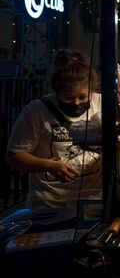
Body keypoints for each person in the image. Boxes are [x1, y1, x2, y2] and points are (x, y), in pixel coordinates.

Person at [6, 49, 102, 210]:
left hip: (93, 200)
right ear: (57, 93)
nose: (76, 103)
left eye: (83, 97)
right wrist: (49, 166)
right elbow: (14, 155)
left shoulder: (101, 104)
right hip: (50, 203)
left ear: (92, 91)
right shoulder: (36, 111)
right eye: (68, 98)